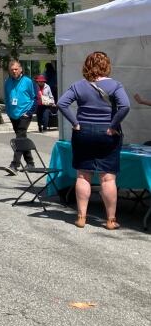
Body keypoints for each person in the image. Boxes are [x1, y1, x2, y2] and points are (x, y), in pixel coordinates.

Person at [57, 51, 130, 230]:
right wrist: (113, 125)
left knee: (83, 175)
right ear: (106, 66)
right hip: (108, 133)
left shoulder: (78, 86)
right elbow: (125, 106)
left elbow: (61, 103)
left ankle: (81, 217)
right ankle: (110, 220)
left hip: (83, 132)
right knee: (107, 178)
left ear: (87, 66)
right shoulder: (115, 85)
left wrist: (75, 123)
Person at [3, 60, 37, 175]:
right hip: (13, 114)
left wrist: (29, 112)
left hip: (24, 113)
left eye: (16, 69)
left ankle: (14, 165)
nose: (14, 71)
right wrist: (8, 110)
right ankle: (30, 163)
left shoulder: (28, 81)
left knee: (19, 138)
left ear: (21, 69)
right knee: (22, 138)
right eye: (12, 69)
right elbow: (7, 98)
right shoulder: (7, 82)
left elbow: (35, 98)